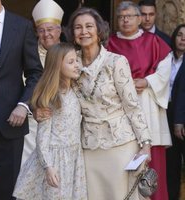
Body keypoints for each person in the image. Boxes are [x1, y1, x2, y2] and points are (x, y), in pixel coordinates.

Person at [63, 6, 152, 200]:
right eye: (78, 27)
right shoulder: (69, 64)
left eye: (89, 26)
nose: (84, 31)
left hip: (120, 144)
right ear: (72, 33)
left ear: (99, 31)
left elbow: (132, 105)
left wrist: (145, 144)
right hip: (88, 146)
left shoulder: (116, 62)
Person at [107, 1, 172, 200]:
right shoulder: (108, 44)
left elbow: (165, 69)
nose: (125, 20)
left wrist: (147, 81)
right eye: (121, 17)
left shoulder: (154, 41)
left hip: (147, 104)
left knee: (153, 165)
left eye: (129, 16)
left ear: (139, 19)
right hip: (119, 108)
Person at [13, 42, 87, 200]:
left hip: (73, 158)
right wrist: (48, 166)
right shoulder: (51, 98)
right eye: (71, 62)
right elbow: (43, 137)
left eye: (77, 60)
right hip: (55, 160)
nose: (76, 65)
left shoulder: (75, 90)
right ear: (57, 66)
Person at [0, 0, 43, 199]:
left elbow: (35, 73)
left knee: (9, 187)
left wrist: (23, 105)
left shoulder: (22, 26)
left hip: (12, 116)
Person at [21, 0, 64, 167]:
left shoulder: (71, 54)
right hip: (33, 125)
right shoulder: (26, 54)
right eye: (41, 30)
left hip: (62, 126)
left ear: (60, 30)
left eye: (51, 29)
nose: (47, 34)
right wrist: (33, 108)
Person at [166, 24, 185, 200]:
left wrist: (180, 120)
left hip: (183, 117)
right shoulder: (166, 57)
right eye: (180, 34)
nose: (183, 38)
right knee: (170, 163)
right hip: (166, 113)